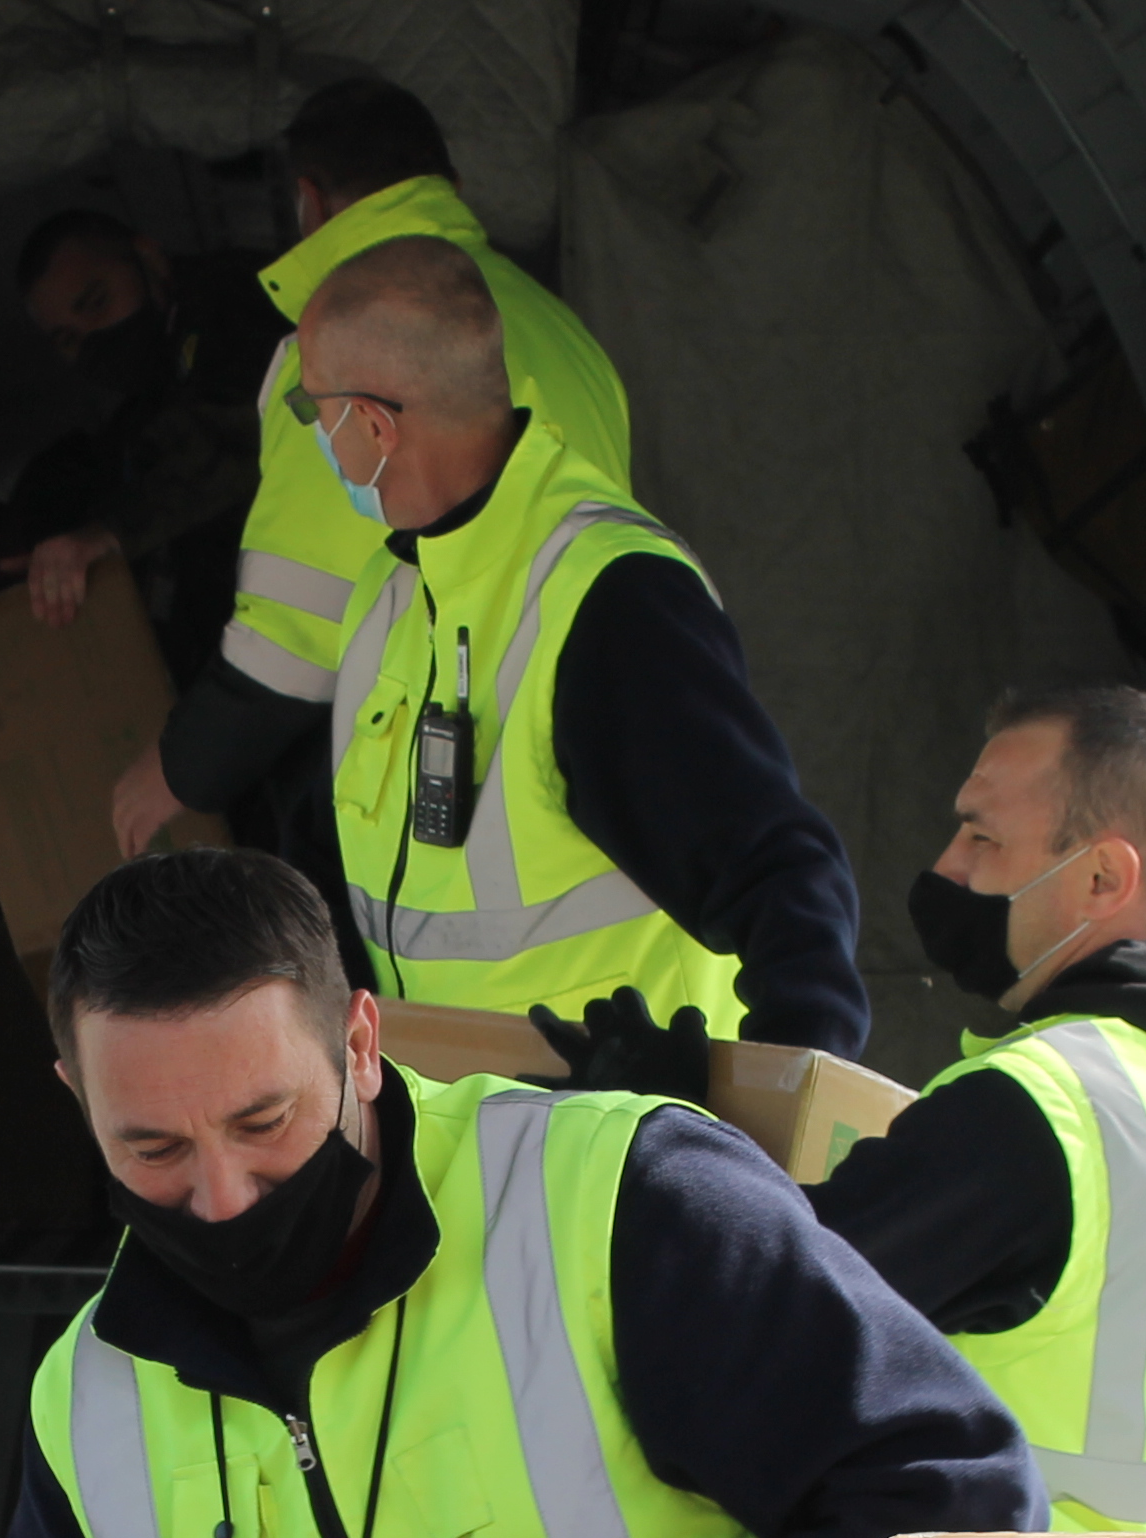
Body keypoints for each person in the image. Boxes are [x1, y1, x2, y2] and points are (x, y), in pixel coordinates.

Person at [0, 849, 1034, 1538]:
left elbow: (949, 1500)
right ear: (77, 1100)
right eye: (153, 1148)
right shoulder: (85, 1399)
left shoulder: (615, 1201)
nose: (224, 1197)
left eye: (265, 1122)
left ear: (360, 1045)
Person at [291, 236, 866, 1070]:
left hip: (620, 1135)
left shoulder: (607, 595)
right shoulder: (392, 591)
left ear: (373, 424)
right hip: (460, 1126)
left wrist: (778, 1114)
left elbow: (781, 878)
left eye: (314, 408)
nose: (316, 436)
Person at [811, 684, 1146, 1531]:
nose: (948, 867)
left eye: (982, 837)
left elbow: (769, 1308)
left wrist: (689, 1127)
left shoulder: (1033, 1111)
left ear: (1101, 878)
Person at [108, 78, 633, 868]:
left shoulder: (343, 345)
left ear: (309, 200)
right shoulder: (563, 332)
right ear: (452, 187)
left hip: (458, 793)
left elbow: (298, 623)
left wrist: (181, 769)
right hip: (591, 750)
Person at [3, 209, 289, 685]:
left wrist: (108, 531)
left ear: (149, 257)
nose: (94, 339)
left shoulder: (235, 302)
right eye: (69, 339)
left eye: (97, 303)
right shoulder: (148, 404)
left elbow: (238, 433)